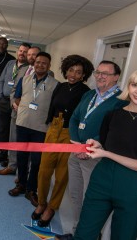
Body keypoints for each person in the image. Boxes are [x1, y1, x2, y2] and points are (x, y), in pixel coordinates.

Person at [59, 69, 137, 240]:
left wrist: (106, 153)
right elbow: (107, 143)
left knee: (123, 235)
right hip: (101, 179)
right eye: (134, 85)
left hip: (131, 185)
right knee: (84, 233)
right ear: (128, 86)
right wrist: (97, 145)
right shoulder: (113, 115)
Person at [61, 60, 128, 236]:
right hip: (76, 152)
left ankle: (89, 235)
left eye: (105, 73)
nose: (100, 76)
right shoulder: (89, 95)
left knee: (90, 200)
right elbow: (75, 119)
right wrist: (77, 144)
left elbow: (114, 131)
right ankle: (76, 232)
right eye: (98, 72)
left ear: (116, 77)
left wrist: (89, 147)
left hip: (96, 158)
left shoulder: (121, 101)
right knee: (75, 196)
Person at [32, 55, 94, 227]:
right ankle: (42, 202)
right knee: (44, 171)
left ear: (83, 75)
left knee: (61, 175)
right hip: (53, 129)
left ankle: (52, 207)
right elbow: (52, 107)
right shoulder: (60, 86)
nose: (74, 74)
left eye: (78, 72)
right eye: (71, 70)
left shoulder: (86, 93)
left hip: (70, 134)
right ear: (66, 70)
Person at [8, 52, 59, 207]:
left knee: (36, 161)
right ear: (33, 64)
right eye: (37, 62)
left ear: (49, 66)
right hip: (23, 123)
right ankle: (21, 184)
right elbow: (17, 97)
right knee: (22, 157)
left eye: (44, 63)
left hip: (41, 127)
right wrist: (24, 108)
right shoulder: (25, 79)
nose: (40, 65)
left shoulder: (55, 85)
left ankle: (31, 189)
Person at [0, 46, 40, 175]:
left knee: (27, 144)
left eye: (34, 55)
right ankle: (12, 166)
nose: (31, 57)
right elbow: (14, 88)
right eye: (29, 54)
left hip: (32, 116)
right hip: (17, 111)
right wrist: (13, 102)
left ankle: (23, 172)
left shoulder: (47, 74)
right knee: (13, 139)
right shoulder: (23, 70)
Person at [0, 43, 30, 166]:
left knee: (13, 132)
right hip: (4, 101)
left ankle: (10, 158)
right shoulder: (10, 64)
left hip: (16, 104)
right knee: (2, 129)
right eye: (20, 50)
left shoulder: (29, 68)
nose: (22, 53)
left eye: (25, 52)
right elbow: (1, 80)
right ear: (17, 51)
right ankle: (2, 154)